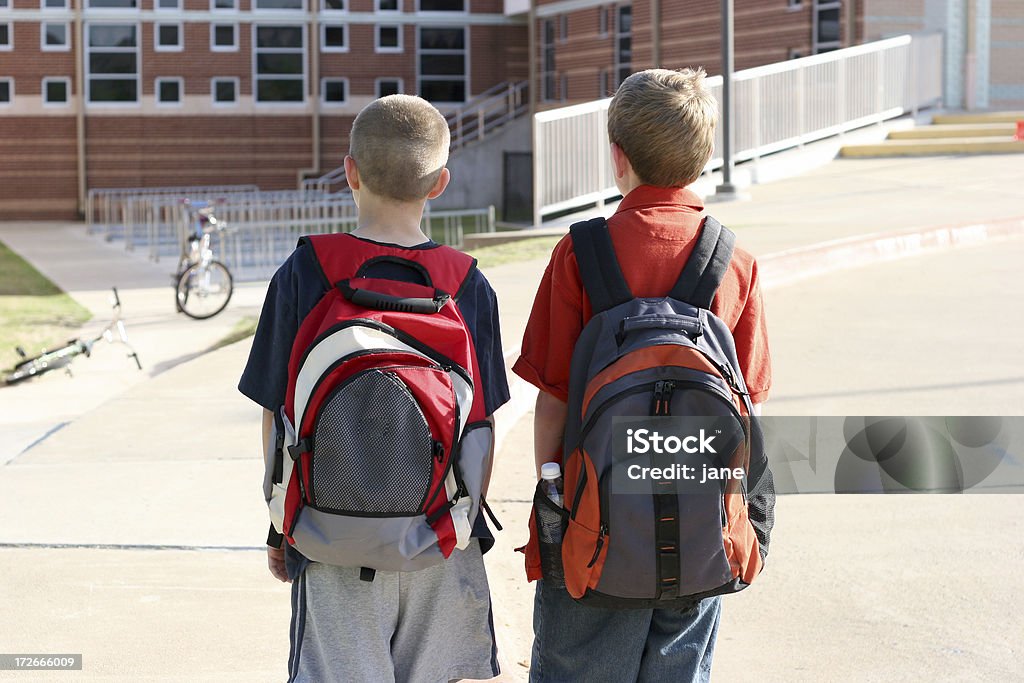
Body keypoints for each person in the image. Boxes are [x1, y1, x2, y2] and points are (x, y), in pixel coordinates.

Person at [238, 94, 510, 683]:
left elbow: (276, 417)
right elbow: (482, 424)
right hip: (438, 537)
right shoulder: (467, 285)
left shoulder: (305, 271)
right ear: (440, 183)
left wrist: (279, 528)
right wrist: (462, 524)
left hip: (327, 532)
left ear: (350, 172)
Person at [513, 68, 772, 682]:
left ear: (617, 156)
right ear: (704, 159)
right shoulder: (734, 260)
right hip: (698, 528)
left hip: (593, 527)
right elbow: (748, 407)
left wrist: (555, 495)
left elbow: (553, 398)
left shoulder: (580, 254)